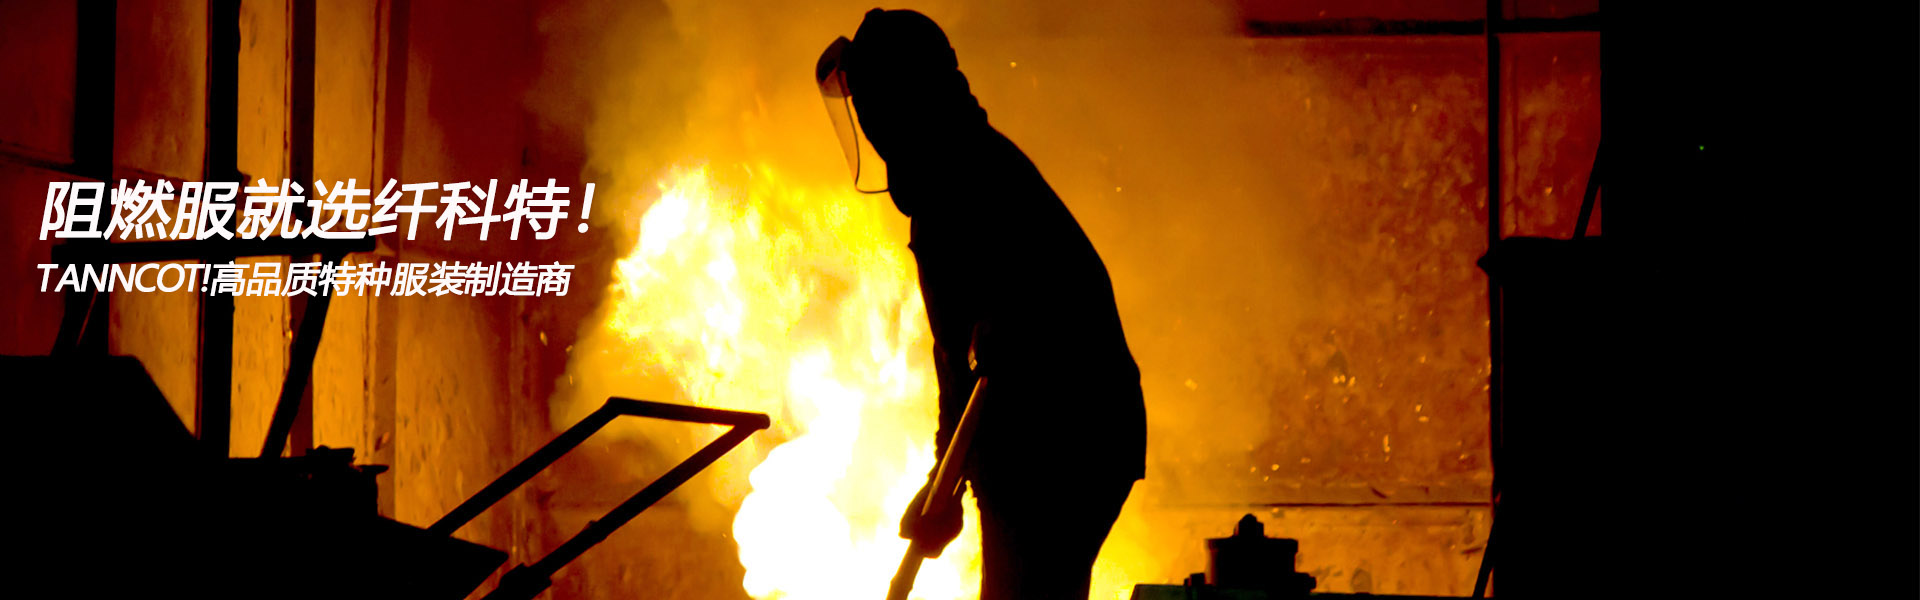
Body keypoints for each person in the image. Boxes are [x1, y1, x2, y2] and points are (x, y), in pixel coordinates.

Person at [820, 9, 1147, 600]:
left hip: (1064, 437)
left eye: (873, 102)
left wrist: (951, 480)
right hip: (1059, 433)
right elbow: (962, 359)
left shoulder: (966, 182)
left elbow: (993, 351)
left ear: (899, 100)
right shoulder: (957, 174)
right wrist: (942, 484)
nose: (870, 123)